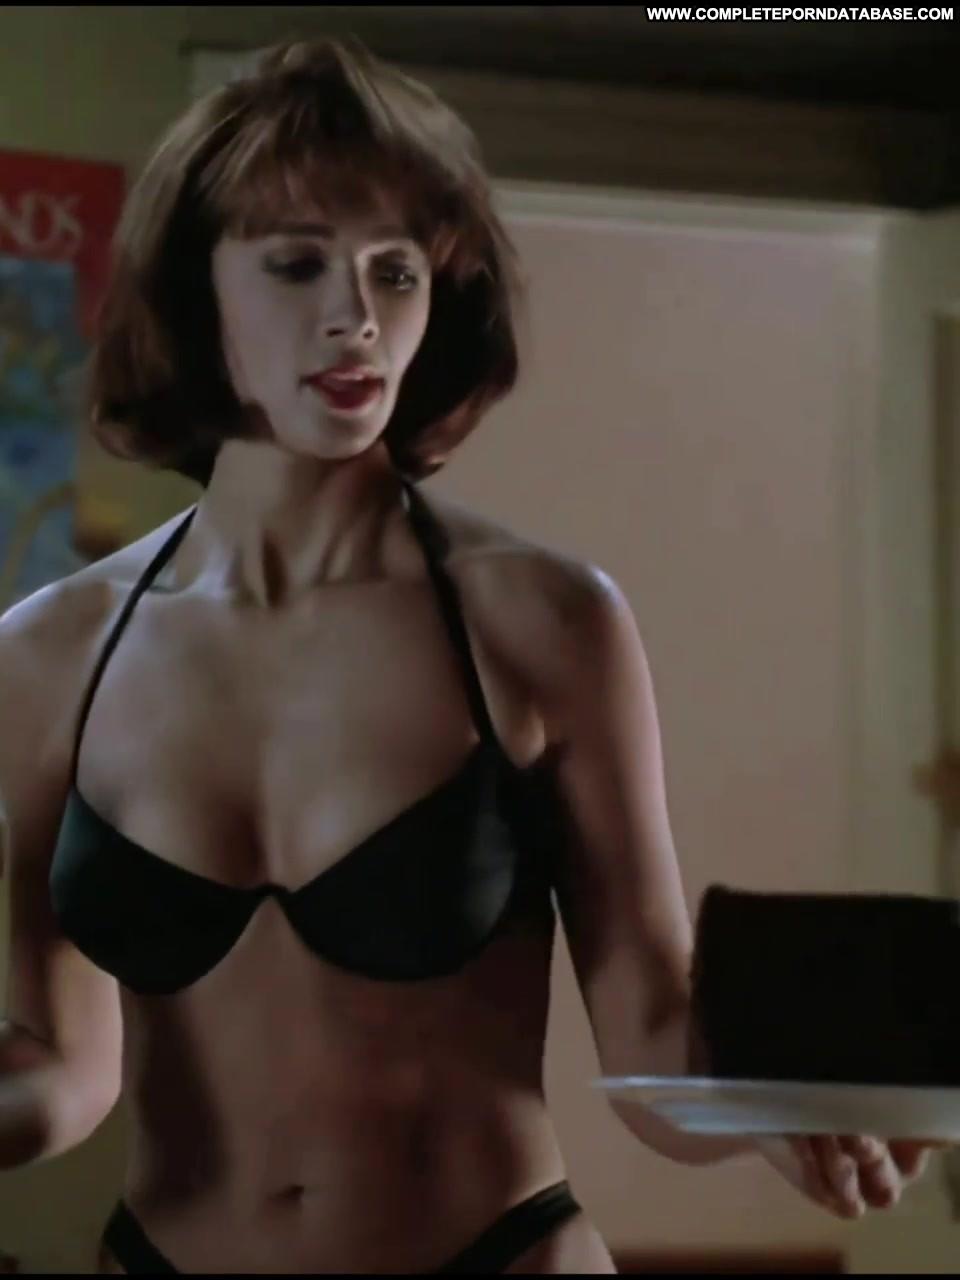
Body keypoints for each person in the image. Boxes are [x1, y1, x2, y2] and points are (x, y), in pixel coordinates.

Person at [0, 36, 940, 1276]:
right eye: (297, 263)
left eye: (395, 270)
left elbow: (652, 1034)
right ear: (195, 293)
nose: (356, 314)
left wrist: (771, 1111)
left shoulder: (542, 621)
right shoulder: (50, 654)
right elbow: (66, 1069)